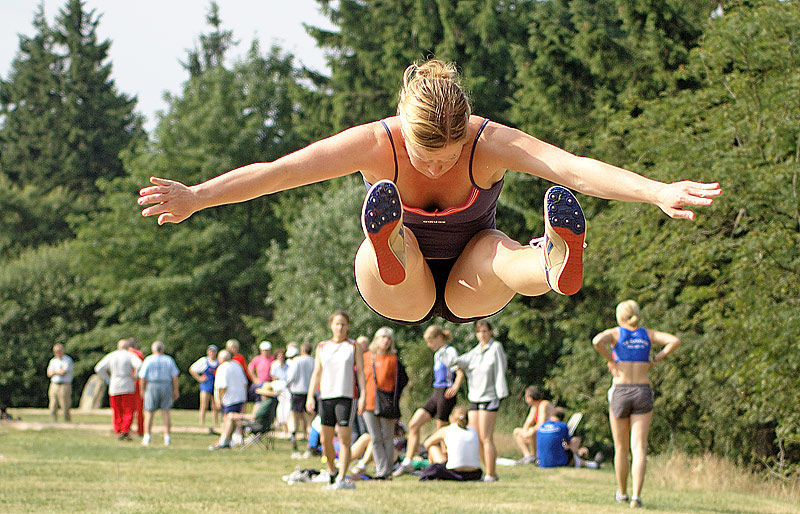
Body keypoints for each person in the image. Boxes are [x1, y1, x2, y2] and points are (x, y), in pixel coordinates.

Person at [139, 59, 721, 325]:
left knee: (501, 252)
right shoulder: (375, 144)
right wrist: (197, 196)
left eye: (451, 154)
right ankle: (388, 245)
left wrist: (656, 191)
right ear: (402, 126)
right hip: (402, 290)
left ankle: (553, 258)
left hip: (472, 278)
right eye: (428, 156)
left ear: (465, 128)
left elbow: (572, 168)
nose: (443, 164)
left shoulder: (486, 141)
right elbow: (279, 171)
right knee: (388, 253)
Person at [592, 299, 681, 507]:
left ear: (619, 317)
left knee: (621, 448)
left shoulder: (616, 333)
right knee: (639, 447)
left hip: (621, 390)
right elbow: (674, 340)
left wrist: (611, 358)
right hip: (642, 390)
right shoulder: (647, 334)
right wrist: (656, 358)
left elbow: (597, 341)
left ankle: (622, 493)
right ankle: (636, 497)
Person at [306, 310, 366, 490]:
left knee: (344, 438)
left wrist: (362, 395)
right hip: (325, 396)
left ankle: (342, 476)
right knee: (325, 439)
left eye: (343, 324)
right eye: (337, 324)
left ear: (347, 327)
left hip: (346, 396)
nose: (340, 327)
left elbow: (361, 373)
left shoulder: (353, 346)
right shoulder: (322, 346)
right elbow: (317, 372)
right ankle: (332, 472)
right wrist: (310, 396)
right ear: (331, 325)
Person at [393, 325, 463, 477]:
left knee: (441, 431)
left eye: (430, 341)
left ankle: (446, 464)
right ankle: (408, 462)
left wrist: (455, 387)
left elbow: (459, 371)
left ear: (438, 338)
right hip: (436, 392)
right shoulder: (437, 354)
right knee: (414, 424)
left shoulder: (449, 351)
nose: (429, 345)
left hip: (446, 393)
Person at [449, 321, 507, 481]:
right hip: (474, 397)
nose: (482, 335)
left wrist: (500, 394)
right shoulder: (474, 352)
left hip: (490, 397)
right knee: (476, 436)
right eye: (479, 332)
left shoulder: (496, 348)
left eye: (485, 331)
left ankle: (492, 474)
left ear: (490, 332)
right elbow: (456, 362)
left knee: (486, 437)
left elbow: (501, 370)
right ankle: (484, 470)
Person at [362, 326, 408, 480]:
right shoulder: (366, 357)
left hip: (386, 403)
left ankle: (387, 470)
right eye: (383, 337)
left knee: (388, 437)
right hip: (368, 402)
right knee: (375, 438)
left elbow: (402, 380)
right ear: (377, 339)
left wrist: (395, 397)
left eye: (389, 339)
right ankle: (381, 469)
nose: (386, 341)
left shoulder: (393, 359)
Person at [94, 339, 142, 440]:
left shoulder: (112, 355)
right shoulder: (130, 355)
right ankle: (125, 429)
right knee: (128, 409)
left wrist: (106, 378)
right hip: (127, 383)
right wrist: (135, 376)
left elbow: (98, 368)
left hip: (114, 383)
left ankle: (118, 429)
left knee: (117, 409)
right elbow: (140, 365)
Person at [419, 406, 482, 482]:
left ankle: (432, 472)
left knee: (432, 446)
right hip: (475, 473)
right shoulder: (473, 431)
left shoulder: (447, 430)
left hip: (455, 472)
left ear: (451, 418)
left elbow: (427, 443)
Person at [138, 341, 180, 446]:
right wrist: (176, 390)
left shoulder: (149, 359)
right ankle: (167, 437)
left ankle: (147, 437)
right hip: (166, 385)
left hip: (152, 385)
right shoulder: (168, 360)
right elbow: (174, 376)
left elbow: (142, 376)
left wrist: (142, 390)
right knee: (165, 412)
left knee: (149, 412)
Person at [210, 349, 249, 450]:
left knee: (227, 420)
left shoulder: (223, 368)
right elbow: (245, 383)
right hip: (240, 397)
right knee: (234, 421)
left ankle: (224, 440)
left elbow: (222, 386)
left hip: (229, 399)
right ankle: (230, 440)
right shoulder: (237, 365)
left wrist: (218, 399)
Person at [285, 341, 315, 452]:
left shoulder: (297, 361)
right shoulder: (314, 361)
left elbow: (291, 376)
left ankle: (293, 435)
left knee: (295, 416)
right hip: (310, 393)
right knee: (309, 419)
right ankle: (310, 442)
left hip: (297, 391)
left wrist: (287, 384)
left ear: (302, 350)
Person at [513, 386, 555, 464]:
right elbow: (527, 423)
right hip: (540, 432)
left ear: (530, 397)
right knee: (517, 431)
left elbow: (541, 424)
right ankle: (528, 456)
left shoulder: (543, 405)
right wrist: (525, 434)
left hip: (549, 431)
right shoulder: (534, 407)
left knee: (532, 431)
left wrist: (528, 434)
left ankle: (534, 456)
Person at [188, 345, 220, 429]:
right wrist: (199, 378)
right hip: (206, 385)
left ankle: (215, 422)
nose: (212, 353)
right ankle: (202, 422)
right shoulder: (204, 361)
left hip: (215, 385)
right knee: (204, 404)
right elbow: (192, 369)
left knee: (215, 405)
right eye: (211, 351)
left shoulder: (218, 362)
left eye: (214, 351)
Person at [46, 343, 73, 423]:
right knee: (53, 404)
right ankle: (53, 421)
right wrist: (56, 372)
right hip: (54, 384)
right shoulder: (53, 361)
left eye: (59, 351)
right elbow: (49, 373)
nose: (57, 353)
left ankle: (67, 421)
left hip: (64, 385)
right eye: (55, 351)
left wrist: (54, 372)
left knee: (65, 404)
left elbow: (63, 372)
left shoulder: (67, 360)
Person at [127, 338, 145, 436]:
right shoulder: (139, 354)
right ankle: (140, 430)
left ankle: (126, 427)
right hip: (137, 382)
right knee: (139, 408)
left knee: (127, 407)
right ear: (135, 345)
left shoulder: (124, 354)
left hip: (127, 382)